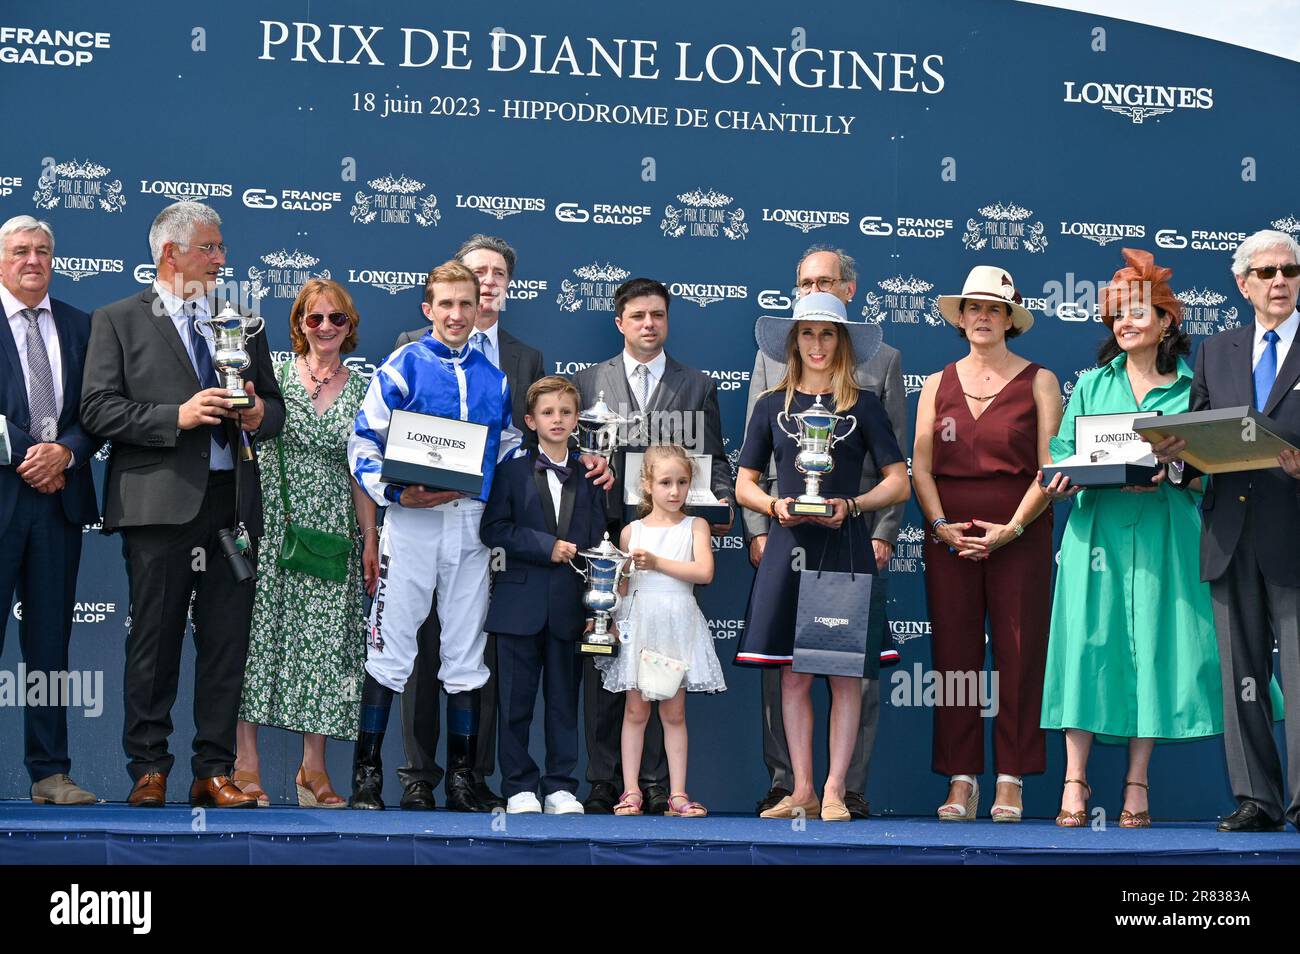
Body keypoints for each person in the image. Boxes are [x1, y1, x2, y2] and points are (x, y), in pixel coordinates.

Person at [81, 200, 285, 808]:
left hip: (230, 506)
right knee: (155, 641)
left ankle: (213, 771)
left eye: (222, 248)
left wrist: (254, 413)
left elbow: (272, 407)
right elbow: (96, 410)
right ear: (171, 253)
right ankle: (149, 768)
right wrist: (179, 415)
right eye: (211, 248)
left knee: (227, 642)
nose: (222, 259)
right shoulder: (116, 319)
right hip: (157, 507)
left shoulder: (241, 320)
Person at [1040, 249, 1221, 828]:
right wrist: (1063, 478)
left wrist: (1174, 470)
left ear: (1167, 321)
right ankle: (1074, 778)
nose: (1124, 324)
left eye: (1136, 312)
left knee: (1151, 648)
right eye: (1116, 315)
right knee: (1086, 647)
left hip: (1167, 534)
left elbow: (1214, 468)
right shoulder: (1092, 385)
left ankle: (1136, 784)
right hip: (1096, 533)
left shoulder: (1197, 386)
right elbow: (1064, 457)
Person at [347, 260, 521, 811]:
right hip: (413, 523)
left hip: (470, 528)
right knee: (390, 649)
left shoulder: (497, 378)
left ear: (480, 309)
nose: (455, 314)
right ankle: (367, 776)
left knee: (466, 653)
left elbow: (510, 448)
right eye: (445, 304)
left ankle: (463, 780)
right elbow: (362, 445)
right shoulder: (402, 366)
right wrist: (398, 496)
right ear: (428, 309)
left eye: (465, 304)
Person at [743, 244, 908, 819]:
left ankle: (836, 789)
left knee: (842, 677)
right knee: (791, 678)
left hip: (844, 547)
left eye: (827, 334)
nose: (816, 344)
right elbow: (743, 483)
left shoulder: (864, 404)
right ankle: (802, 790)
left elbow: (898, 482)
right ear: (794, 341)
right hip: (788, 549)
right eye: (807, 334)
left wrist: (852, 505)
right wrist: (773, 505)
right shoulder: (769, 404)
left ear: (842, 342)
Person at [1152, 228, 1300, 833]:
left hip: (1295, 534)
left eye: (1289, 270)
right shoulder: (1217, 351)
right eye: (1266, 273)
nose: (1281, 281)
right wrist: (1175, 456)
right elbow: (1198, 444)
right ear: (1243, 285)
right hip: (1230, 534)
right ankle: (1257, 800)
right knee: (1242, 678)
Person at [572, 277, 734, 815]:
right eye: (638, 315)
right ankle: (608, 782)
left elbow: (714, 460)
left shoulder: (697, 385)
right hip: (609, 539)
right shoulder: (589, 381)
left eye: (658, 315)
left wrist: (722, 507)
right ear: (620, 322)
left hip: (671, 545)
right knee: (609, 665)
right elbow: (572, 460)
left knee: (666, 677)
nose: (649, 324)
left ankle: (664, 786)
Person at [911, 266, 1060, 822]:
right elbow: (920, 468)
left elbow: (1051, 469)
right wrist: (939, 524)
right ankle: (961, 778)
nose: (981, 317)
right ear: (960, 318)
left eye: (993, 309)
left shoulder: (1040, 380)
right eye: (972, 307)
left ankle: (1011, 778)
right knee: (954, 658)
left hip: (1020, 532)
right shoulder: (936, 383)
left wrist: (1014, 529)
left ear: (1009, 319)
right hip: (950, 535)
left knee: (1020, 657)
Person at [232, 279, 379, 807]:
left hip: (332, 531)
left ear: (349, 327)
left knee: (323, 649)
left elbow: (363, 473)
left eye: (335, 319)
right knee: (257, 641)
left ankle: (312, 770)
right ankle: (244, 764)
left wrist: (369, 538)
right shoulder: (268, 373)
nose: (324, 328)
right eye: (314, 319)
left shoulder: (365, 390)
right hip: (270, 522)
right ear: (299, 324)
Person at [0, 215, 101, 805]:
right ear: (1, 261)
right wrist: (31, 454)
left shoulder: (79, 325)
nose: (32, 260)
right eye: (19, 251)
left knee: (48, 645)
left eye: (42, 250)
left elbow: (98, 409)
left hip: (59, 505)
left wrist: (65, 452)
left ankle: (49, 773)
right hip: (7, 494)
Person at [479, 376, 607, 814]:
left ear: (577, 420)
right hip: (518, 606)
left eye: (566, 413)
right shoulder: (511, 471)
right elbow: (492, 529)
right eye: (548, 413)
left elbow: (596, 543)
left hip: (570, 607)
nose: (557, 420)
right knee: (514, 704)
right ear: (530, 421)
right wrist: (543, 546)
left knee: (563, 703)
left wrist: (596, 604)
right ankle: (518, 786)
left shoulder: (591, 476)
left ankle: (560, 786)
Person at [597, 444, 725, 817]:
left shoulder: (696, 526)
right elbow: (622, 588)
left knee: (674, 714)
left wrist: (656, 562)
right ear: (647, 485)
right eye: (666, 482)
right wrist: (609, 619)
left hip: (677, 623)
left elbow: (704, 573)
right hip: (641, 624)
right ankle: (632, 791)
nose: (674, 491)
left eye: (682, 482)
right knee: (635, 712)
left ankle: (679, 794)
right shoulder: (630, 532)